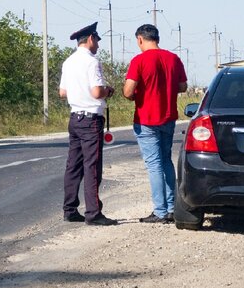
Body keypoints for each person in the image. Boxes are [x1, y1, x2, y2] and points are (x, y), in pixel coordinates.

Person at [123, 23, 188, 223]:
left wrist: (137, 94)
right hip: (168, 117)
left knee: (154, 165)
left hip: (146, 119)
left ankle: (160, 211)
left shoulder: (139, 60)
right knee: (166, 161)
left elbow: (128, 91)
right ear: (157, 38)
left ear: (140, 39)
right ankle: (171, 208)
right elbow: (183, 86)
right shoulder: (173, 59)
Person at [58, 22, 117, 226]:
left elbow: (62, 93)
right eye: (97, 41)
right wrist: (108, 90)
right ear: (91, 38)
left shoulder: (68, 62)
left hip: (74, 117)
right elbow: (96, 92)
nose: (98, 46)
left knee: (73, 165)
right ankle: (93, 213)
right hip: (91, 118)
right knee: (92, 166)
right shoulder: (92, 62)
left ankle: (70, 209)